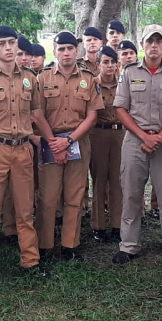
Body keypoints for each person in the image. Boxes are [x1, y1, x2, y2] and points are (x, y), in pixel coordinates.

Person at [0, 25, 57, 284]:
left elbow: (36, 111)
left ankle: (30, 260)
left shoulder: (30, 77)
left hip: (22, 149)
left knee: (25, 207)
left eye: (11, 42)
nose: (8, 48)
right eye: (2, 43)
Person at [112, 24, 162, 269]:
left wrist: (160, 136)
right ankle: (128, 245)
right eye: (149, 41)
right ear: (142, 44)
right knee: (132, 194)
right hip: (135, 142)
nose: (154, 45)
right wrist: (143, 136)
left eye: (159, 41)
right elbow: (120, 108)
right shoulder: (129, 71)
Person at [35, 31, 104, 260]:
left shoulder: (89, 78)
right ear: (54, 52)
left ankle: (69, 246)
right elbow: (37, 113)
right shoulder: (42, 78)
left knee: (74, 197)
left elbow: (92, 116)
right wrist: (55, 143)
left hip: (78, 141)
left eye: (70, 48)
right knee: (48, 197)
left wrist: (69, 140)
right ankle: (45, 245)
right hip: (50, 142)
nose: (66, 53)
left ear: (77, 51)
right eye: (61, 49)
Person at [90, 46, 124, 243]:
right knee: (99, 179)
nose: (109, 66)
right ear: (98, 64)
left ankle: (117, 225)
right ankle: (98, 225)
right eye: (105, 62)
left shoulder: (123, 82)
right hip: (98, 134)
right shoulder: (92, 84)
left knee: (118, 181)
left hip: (120, 133)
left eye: (113, 62)